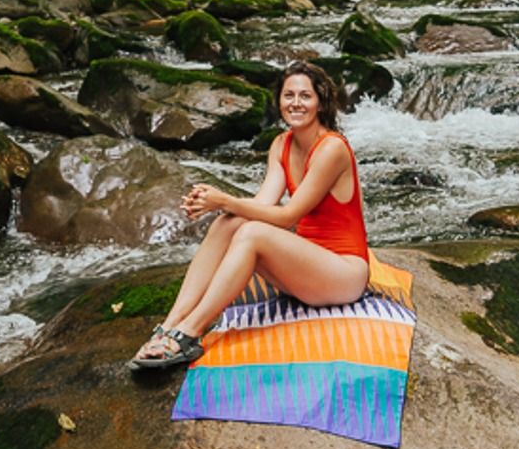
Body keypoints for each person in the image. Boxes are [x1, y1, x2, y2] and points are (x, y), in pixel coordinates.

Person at [129, 58, 371, 374]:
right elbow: (263, 205)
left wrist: (223, 199)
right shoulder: (281, 144)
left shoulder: (332, 149)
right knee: (232, 223)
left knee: (250, 231)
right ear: (279, 100)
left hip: (343, 274)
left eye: (305, 96)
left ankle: (190, 332)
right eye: (288, 95)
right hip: (307, 271)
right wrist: (218, 204)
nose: (295, 103)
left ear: (321, 102)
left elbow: (287, 216)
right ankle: (171, 323)